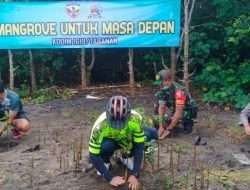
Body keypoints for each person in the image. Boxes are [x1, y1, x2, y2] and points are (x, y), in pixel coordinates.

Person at [88, 96, 158, 189]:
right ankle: (106, 161)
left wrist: (135, 174)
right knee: (106, 147)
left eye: (122, 120)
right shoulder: (99, 126)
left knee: (151, 134)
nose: (118, 125)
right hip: (110, 141)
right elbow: (93, 155)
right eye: (114, 120)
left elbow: (139, 147)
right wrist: (110, 178)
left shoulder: (136, 119)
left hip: (126, 138)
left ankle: (125, 157)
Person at [153, 69, 198, 139]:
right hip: (175, 107)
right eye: (158, 84)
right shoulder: (162, 90)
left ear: (168, 80)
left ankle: (187, 122)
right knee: (156, 119)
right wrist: (161, 126)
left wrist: (168, 129)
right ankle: (170, 124)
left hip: (188, 109)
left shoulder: (179, 91)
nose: (160, 86)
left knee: (173, 117)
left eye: (161, 83)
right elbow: (161, 107)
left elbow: (178, 112)